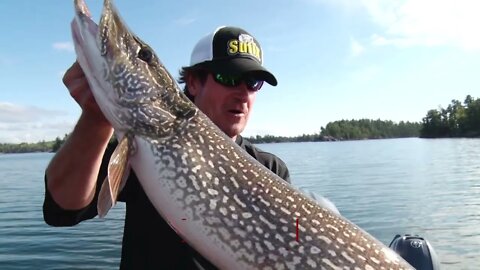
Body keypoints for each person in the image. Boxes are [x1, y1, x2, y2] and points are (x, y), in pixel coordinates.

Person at [43, 26, 291, 269]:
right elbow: (63, 208)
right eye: (228, 77)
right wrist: (95, 119)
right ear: (193, 82)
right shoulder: (144, 147)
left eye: (253, 82)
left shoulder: (270, 169)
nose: (242, 93)